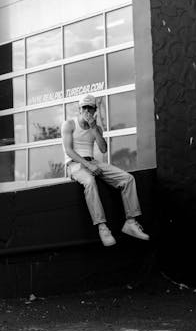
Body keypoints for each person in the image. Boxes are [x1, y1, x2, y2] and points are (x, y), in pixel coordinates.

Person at [62, 94, 150, 247]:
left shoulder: (96, 128)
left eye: (90, 108)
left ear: (95, 110)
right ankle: (102, 227)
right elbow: (69, 151)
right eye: (84, 107)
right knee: (89, 181)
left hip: (93, 162)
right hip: (74, 164)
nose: (87, 111)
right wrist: (87, 166)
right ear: (79, 108)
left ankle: (130, 222)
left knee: (127, 179)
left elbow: (103, 149)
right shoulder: (69, 124)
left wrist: (94, 128)